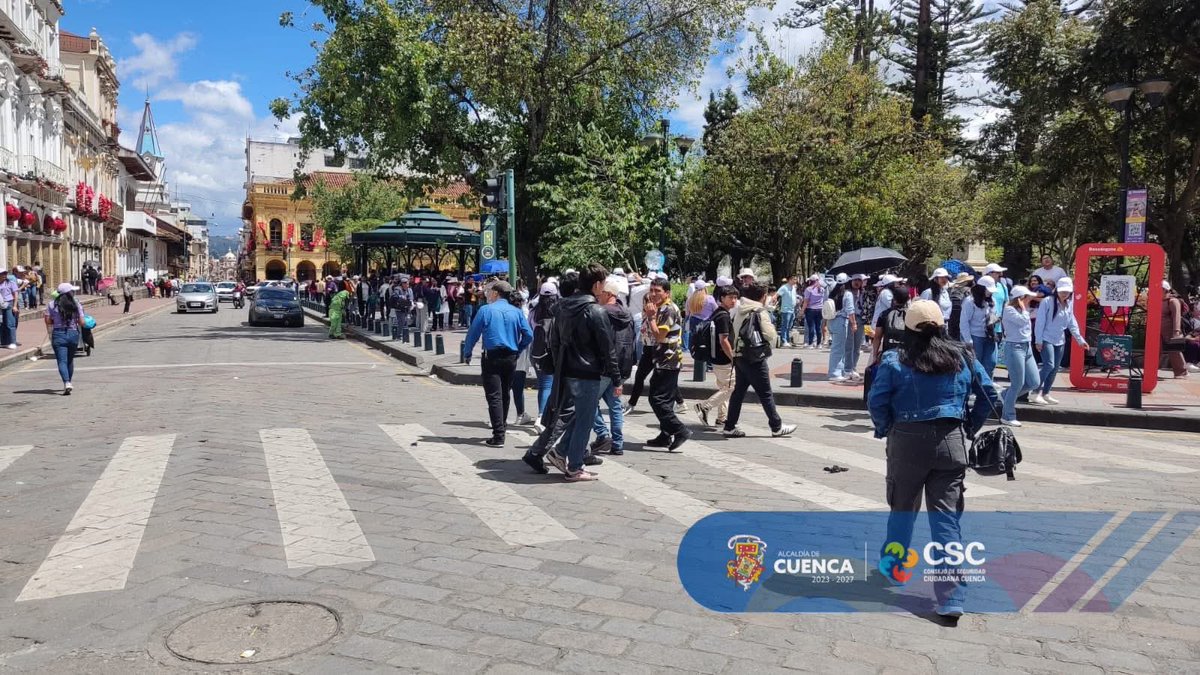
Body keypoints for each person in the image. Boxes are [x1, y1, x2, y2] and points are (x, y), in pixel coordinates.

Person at [868, 299, 1000, 618]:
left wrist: (886, 428)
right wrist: (968, 426)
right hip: (951, 441)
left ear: (908, 330)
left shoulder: (894, 359)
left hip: (907, 442)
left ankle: (894, 567)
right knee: (946, 520)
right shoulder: (964, 356)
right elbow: (990, 396)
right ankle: (951, 597)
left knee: (902, 509)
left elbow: (876, 401)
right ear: (943, 326)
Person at [544, 264, 619, 480]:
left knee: (578, 417)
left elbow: (555, 341)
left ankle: (561, 452)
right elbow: (607, 347)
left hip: (567, 371)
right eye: (603, 283)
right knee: (584, 421)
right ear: (596, 285)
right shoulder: (595, 311)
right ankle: (575, 467)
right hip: (587, 373)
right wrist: (616, 378)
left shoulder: (563, 307)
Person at [462, 280, 534, 447]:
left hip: (492, 357)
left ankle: (498, 435)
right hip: (511, 357)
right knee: (505, 393)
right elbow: (529, 335)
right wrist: (518, 349)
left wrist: (467, 353)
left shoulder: (486, 310)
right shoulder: (516, 312)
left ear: (496, 293)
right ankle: (502, 427)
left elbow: (473, 333)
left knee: (494, 395)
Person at [720, 283, 797, 438]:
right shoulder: (759, 311)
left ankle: (729, 426)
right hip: (755, 357)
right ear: (763, 296)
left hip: (739, 355)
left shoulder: (739, 309)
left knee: (739, 392)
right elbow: (770, 335)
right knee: (765, 393)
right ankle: (776, 426)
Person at [590, 277, 635, 456]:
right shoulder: (627, 313)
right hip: (623, 365)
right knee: (615, 405)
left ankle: (602, 434)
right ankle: (618, 443)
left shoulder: (601, 312)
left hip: (605, 365)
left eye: (600, 292)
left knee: (588, 402)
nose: (597, 295)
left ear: (607, 294)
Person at [643, 277, 690, 451]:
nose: (653, 294)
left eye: (658, 291)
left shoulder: (668, 310)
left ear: (667, 293)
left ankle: (679, 430)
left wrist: (651, 318)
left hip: (668, 360)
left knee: (657, 399)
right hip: (663, 359)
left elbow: (659, 336)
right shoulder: (661, 308)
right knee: (666, 399)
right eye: (652, 290)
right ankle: (665, 434)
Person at [1032, 277, 1089, 404]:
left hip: (1060, 340)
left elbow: (1071, 322)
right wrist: (1038, 340)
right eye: (1062, 291)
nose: (1064, 293)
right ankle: (1035, 392)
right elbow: (1040, 322)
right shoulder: (1047, 301)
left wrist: (1080, 340)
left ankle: (1046, 393)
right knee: (1049, 364)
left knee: (1055, 368)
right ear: (1057, 290)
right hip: (1046, 338)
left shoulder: (1068, 304)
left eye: (1067, 291)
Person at [695, 286, 738, 428]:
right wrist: (732, 356)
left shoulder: (718, 313)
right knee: (731, 387)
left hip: (715, 357)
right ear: (721, 298)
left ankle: (722, 417)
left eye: (735, 297)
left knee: (723, 387)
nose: (733, 300)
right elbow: (723, 340)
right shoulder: (723, 316)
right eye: (730, 297)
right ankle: (705, 406)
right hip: (723, 358)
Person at [1000, 286, 1040, 426]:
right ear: (1020, 299)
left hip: (1026, 347)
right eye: (1027, 297)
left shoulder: (1024, 311)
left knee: (1034, 382)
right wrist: (1023, 309)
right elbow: (1022, 321)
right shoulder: (1009, 310)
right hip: (1014, 347)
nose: (1030, 299)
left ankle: (1006, 395)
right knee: (1018, 383)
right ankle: (1008, 416)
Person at [529, 281, 560, 425]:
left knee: (543, 385)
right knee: (552, 386)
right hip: (554, 352)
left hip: (537, 352)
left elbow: (529, 330)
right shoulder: (559, 310)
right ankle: (545, 417)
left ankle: (542, 414)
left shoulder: (533, 311)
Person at [45, 283, 85, 395]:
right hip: (73, 333)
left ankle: (67, 382)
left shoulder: (52, 304)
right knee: (70, 360)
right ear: (68, 293)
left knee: (61, 361)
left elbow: (48, 321)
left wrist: (57, 321)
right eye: (72, 291)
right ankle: (68, 382)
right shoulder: (76, 304)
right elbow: (82, 322)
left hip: (58, 333)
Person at [959, 276, 998, 377]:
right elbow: (964, 321)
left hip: (990, 335)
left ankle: (987, 386)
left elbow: (994, 314)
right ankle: (974, 388)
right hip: (975, 336)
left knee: (991, 362)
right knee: (975, 364)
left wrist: (994, 319)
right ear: (981, 288)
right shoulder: (969, 301)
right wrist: (968, 340)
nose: (990, 293)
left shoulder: (992, 300)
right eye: (988, 290)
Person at [508, 291, 536, 426]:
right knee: (518, 388)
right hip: (519, 356)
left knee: (503, 387)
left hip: (503, 355)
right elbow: (529, 335)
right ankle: (520, 414)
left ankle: (498, 415)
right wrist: (520, 348)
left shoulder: (503, 313)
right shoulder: (521, 315)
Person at [827, 273, 857, 384]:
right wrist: (854, 324)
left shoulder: (832, 291)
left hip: (832, 320)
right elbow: (850, 311)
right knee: (838, 349)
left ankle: (841, 370)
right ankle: (835, 373)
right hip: (841, 321)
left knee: (838, 348)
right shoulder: (847, 294)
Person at [871, 282, 910, 363]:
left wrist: (874, 356)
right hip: (907, 355)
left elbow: (877, 337)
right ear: (908, 298)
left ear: (894, 299)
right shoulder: (912, 314)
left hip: (888, 355)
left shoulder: (884, 314)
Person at [1163, 281, 1192, 378]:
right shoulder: (1158, 300)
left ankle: (1182, 372)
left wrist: (1176, 331)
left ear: (1165, 290)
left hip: (1171, 331)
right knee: (1154, 350)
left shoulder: (1172, 301)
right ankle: (1151, 371)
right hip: (1158, 330)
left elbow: (1177, 317)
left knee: (1174, 351)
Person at [947, 273, 973, 342]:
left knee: (953, 336)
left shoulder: (950, 289)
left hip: (951, 315)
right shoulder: (968, 290)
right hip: (962, 314)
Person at [777, 275, 798, 348]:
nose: (795, 281)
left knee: (790, 326)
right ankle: (784, 340)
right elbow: (777, 295)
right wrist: (772, 301)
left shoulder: (794, 288)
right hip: (786, 310)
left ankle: (788, 340)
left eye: (796, 279)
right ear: (789, 280)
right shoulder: (784, 287)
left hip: (792, 310)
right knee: (785, 326)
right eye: (794, 279)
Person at [0, 267, 18, 349]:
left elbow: (15, 294)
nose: (4, 275)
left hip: (8, 304)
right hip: (0, 305)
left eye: (5, 273)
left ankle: (12, 342)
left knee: (9, 324)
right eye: (2, 274)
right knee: (1, 324)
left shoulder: (10, 283)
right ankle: (3, 342)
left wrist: (14, 306)